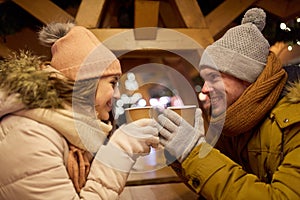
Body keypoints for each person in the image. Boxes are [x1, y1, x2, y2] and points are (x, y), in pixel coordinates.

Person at [0, 22, 159, 199]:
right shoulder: (31, 136)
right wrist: (120, 150)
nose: (117, 94)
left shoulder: (68, 131)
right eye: (113, 83)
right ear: (87, 83)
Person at [157, 8, 300, 199]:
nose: (205, 89)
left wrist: (192, 151)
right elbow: (217, 189)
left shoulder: (295, 122)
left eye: (214, 77)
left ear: (246, 77)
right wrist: (180, 155)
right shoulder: (232, 120)